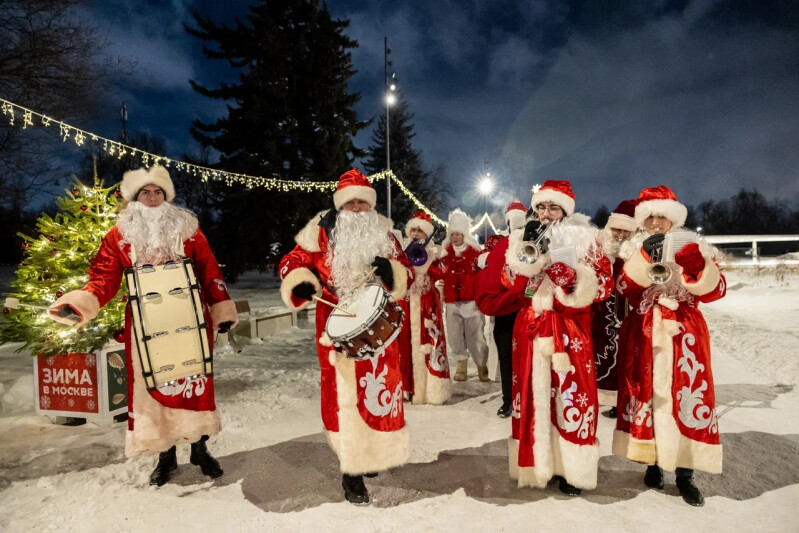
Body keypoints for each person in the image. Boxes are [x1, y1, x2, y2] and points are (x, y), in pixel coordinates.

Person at [48, 166, 238, 486]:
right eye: (145, 193)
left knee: (192, 387)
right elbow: (103, 278)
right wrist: (81, 303)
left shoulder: (189, 230)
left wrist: (221, 308)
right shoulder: (119, 235)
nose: (152, 198)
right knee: (154, 392)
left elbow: (208, 268)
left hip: (189, 322)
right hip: (146, 327)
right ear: (135, 198)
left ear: (167, 196)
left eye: (158, 192)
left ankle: (199, 448)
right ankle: (166, 457)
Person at [278, 168, 413, 505]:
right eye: (350, 202)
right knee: (344, 399)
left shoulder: (384, 232)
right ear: (340, 205)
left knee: (377, 394)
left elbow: (406, 271)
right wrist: (301, 279)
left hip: (378, 327)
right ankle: (350, 471)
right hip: (337, 327)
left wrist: (392, 271)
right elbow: (291, 261)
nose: (356, 208)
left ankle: (371, 453)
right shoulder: (319, 230)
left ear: (370, 207)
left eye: (362, 203)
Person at [484, 180, 613, 495]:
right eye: (540, 206)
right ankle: (538, 464)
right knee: (532, 397)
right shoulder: (523, 237)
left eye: (552, 207)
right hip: (530, 329)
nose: (545, 213)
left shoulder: (587, 241)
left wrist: (572, 279)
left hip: (570, 331)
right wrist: (524, 259)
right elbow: (507, 281)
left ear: (565, 210)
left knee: (570, 398)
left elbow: (605, 286)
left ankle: (572, 469)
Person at [612, 185, 726, 507]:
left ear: (672, 219)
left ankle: (685, 472)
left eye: (662, 216)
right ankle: (651, 461)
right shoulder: (632, 248)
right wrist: (644, 258)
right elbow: (623, 289)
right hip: (645, 330)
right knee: (647, 394)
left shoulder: (694, 244)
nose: (655, 222)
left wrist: (695, 266)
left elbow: (716, 290)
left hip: (684, 333)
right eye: (649, 217)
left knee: (686, 396)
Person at [476, 200, 528, 417]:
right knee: (507, 359)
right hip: (507, 311)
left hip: (528, 311)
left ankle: (526, 400)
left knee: (527, 360)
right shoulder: (501, 247)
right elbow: (491, 278)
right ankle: (509, 400)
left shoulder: (533, 242)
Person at [591, 200, 637, 418]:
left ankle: (627, 402)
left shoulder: (637, 252)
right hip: (603, 312)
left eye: (626, 231)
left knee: (629, 358)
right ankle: (610, 400)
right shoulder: (599, 248)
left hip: (630, 309)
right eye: (616, 229)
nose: (620, 234)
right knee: (606, 357)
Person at [402, 210, 451, 405]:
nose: (416, 234)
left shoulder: (435, 251)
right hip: (406, 302)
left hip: (426, 304)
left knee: (429, 343)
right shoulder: (402, 250)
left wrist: (429, 260)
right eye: (413, 230)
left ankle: (431, 391)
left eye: (420, 231)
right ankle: (407, 387)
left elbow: (442, 274)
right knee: (405, 344)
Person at [439, 208, 489, 382]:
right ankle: (461, 367)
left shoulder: (475, 253)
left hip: (471, 301)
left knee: (475, 336)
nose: (455, 237)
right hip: (452, 300)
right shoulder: (445, 254)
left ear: (464, 234)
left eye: (458, 234)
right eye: (452, 234)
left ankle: (481, 365)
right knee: (455, 336)